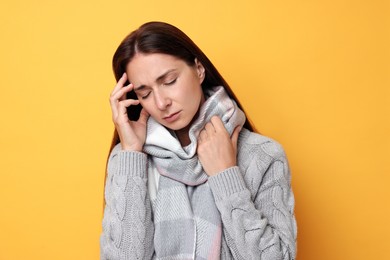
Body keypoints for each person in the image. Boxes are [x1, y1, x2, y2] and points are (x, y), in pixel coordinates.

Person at [100, 21, 297, 260]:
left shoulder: (262, 155)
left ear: (199, 69)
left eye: (170, 81)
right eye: (145, 93)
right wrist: (131, 152)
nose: (161, 103)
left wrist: (226, 176)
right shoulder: (128, 161)